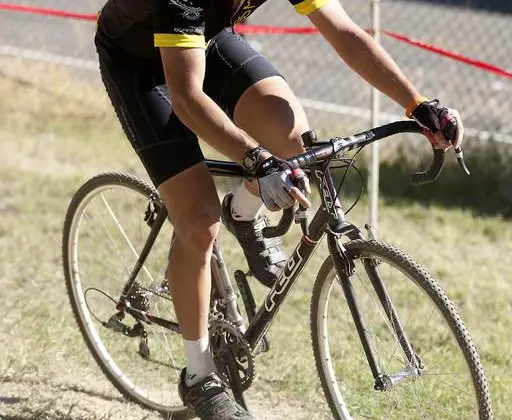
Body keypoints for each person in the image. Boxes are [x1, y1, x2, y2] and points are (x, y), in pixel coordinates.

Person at [94, 0, 463, 418]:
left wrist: (416, 105)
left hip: (206, 42)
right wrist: (255, 159)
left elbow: (345, 33)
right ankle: (199, 377)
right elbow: (185, 95)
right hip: (139, 66)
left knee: (294, 139)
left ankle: (244, 212)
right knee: (198, 219)